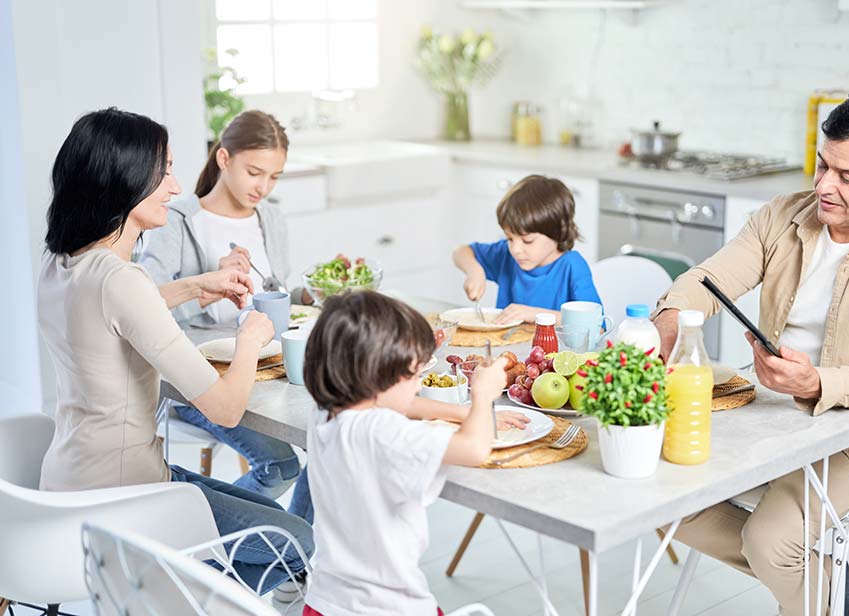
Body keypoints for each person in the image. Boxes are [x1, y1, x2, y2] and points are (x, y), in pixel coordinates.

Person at [652, 90, 849, 616]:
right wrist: (669, 319)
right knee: (658, 494)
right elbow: (710, 280)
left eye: (848, 177)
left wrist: (819, 382)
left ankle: (801, 573)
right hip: (772, 416)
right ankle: (823, 584)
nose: (823, 187)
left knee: (773, 541)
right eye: (822, 165)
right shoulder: (782, 217)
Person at [36, 107, 313, 593]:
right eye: (164, 171)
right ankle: (168, 597)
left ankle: (171, 591)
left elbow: (112, 316)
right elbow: (226, 410)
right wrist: (251, 337)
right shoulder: (122, 280)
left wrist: (193, 287)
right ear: (124, 179)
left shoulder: (62, 262)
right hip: (127, 495)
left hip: (74, 477)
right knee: (297, 544)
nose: (176, 186)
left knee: (270, 514)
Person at [139, 110, 312, 522]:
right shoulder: (176, 220)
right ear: (223, 159)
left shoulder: (270, 216)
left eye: (274, 177)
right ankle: (213, 540)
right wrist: (206, 282)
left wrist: (313, 293)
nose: (263, 187)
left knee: (328, 443)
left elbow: (276, 292)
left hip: (268, 371)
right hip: (202, 381)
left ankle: (293, 563)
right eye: (255, 172)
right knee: (281, 465)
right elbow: (145, 307)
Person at [301, 290, 508, 616]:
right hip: (388, 607)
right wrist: (483, 397)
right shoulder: (382, 433)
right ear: (377, 375)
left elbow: (401, 402)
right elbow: (474, 449)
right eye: (414, 375)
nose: (417, 384)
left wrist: (463, 414)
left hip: (326, 602)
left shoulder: (326, 413)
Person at [453, 174, 601, 324]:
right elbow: (461, 251)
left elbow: (596, 324)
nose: (515, 249)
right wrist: (474, 270)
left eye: (527, 241)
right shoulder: (506, 255)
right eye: (510, 238)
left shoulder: (572, 266)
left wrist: (536, 315)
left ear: (557, 232)